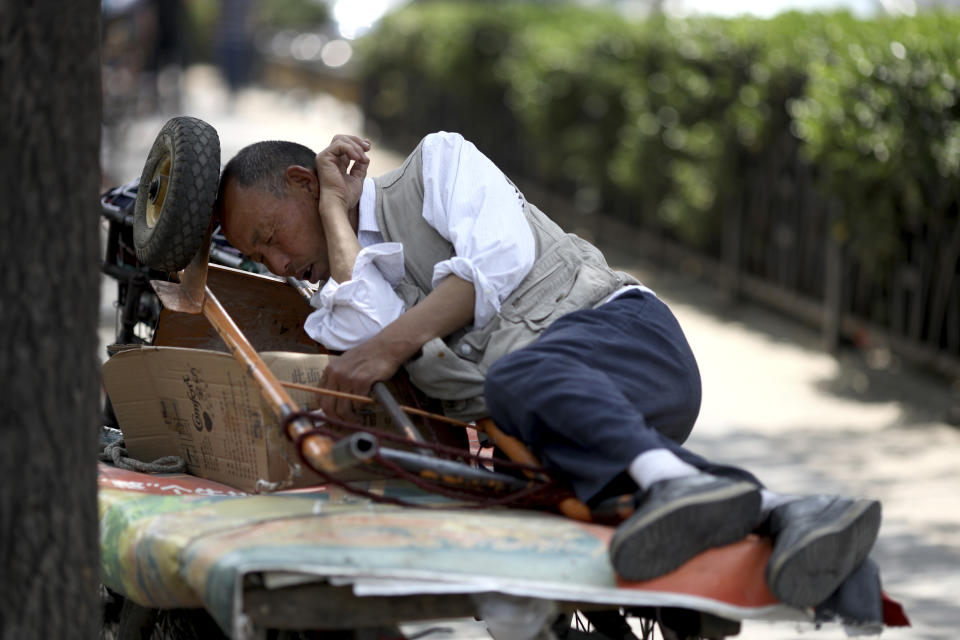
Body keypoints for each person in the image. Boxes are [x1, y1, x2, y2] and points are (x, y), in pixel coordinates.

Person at [215, 131, 882, 609]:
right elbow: (370, 329)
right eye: (258, 256)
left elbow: (494, 266)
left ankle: (679, 488)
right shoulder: (335, 304)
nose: (275, 264)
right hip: (558, 415)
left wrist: (389, 344)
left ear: (301, 180)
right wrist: (335, 214)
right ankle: (791, 512)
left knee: (513, 380)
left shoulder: (437, 162)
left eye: (270, 236)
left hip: (628, 340)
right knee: (563, 500)